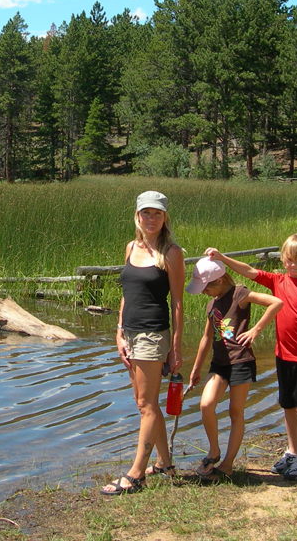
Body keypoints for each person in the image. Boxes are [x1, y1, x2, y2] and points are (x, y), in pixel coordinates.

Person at [205, 234, 297, 481]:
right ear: (283, 260)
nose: (293, 265)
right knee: (287, 405)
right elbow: (249, 271)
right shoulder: (277, 281)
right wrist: (222, 257)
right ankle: (291, 451)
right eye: (289, 260)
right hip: (283, 356)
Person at [101, 191, 185, 496]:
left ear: (165, 219)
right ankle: (164, 463)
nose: (151, 219)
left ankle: (136, 474)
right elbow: (126, 294)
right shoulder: (130, 248)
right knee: (143, 403)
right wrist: (119, 331)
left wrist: (175, 347)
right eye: (146, 213)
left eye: (157, 214)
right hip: (131, 334)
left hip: (153, 334)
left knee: (147, 404)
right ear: (137, 217)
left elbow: (177, 302)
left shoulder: (172, 253)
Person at [186, 257, 283, 481]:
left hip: (241, 361)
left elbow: (276, 302)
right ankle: (214, 451)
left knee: (235, 412)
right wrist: (196, 368)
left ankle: (227, 464)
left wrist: (255, 330)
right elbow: (206, 338)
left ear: (219, 281)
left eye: (206, 288)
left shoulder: (240, 294)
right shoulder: (212, 304)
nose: (203, 293)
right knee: (206, 404)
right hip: (219, 364)